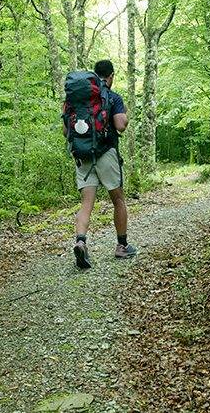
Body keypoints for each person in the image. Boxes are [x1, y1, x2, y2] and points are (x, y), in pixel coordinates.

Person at [70, 60, 137, 269]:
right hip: (106, 153)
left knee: (86, 203)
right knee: (118, 200)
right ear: (111, 75)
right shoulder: (113, 97)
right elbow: (120, 125)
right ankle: (122, 246)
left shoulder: (77, 99)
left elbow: (66, 131)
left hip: (83, 155)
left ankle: (80, 242)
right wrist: (125, 113)